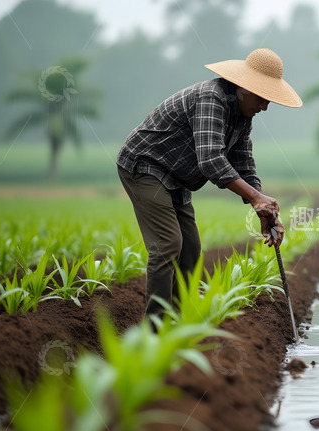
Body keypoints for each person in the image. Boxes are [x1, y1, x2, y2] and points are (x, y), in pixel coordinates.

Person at [116, 48, 302, 321]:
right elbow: (211, 160)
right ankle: (154, 331)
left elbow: (243, 162)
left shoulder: (242, 114)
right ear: (244, 87)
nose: (264, 107)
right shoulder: (211, 98)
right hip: (146, 166)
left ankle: (179, 322)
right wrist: (254, 197)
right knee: (168, 245)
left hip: (177, 177)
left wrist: (263, 206)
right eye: (263, 98)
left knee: (190, 250)